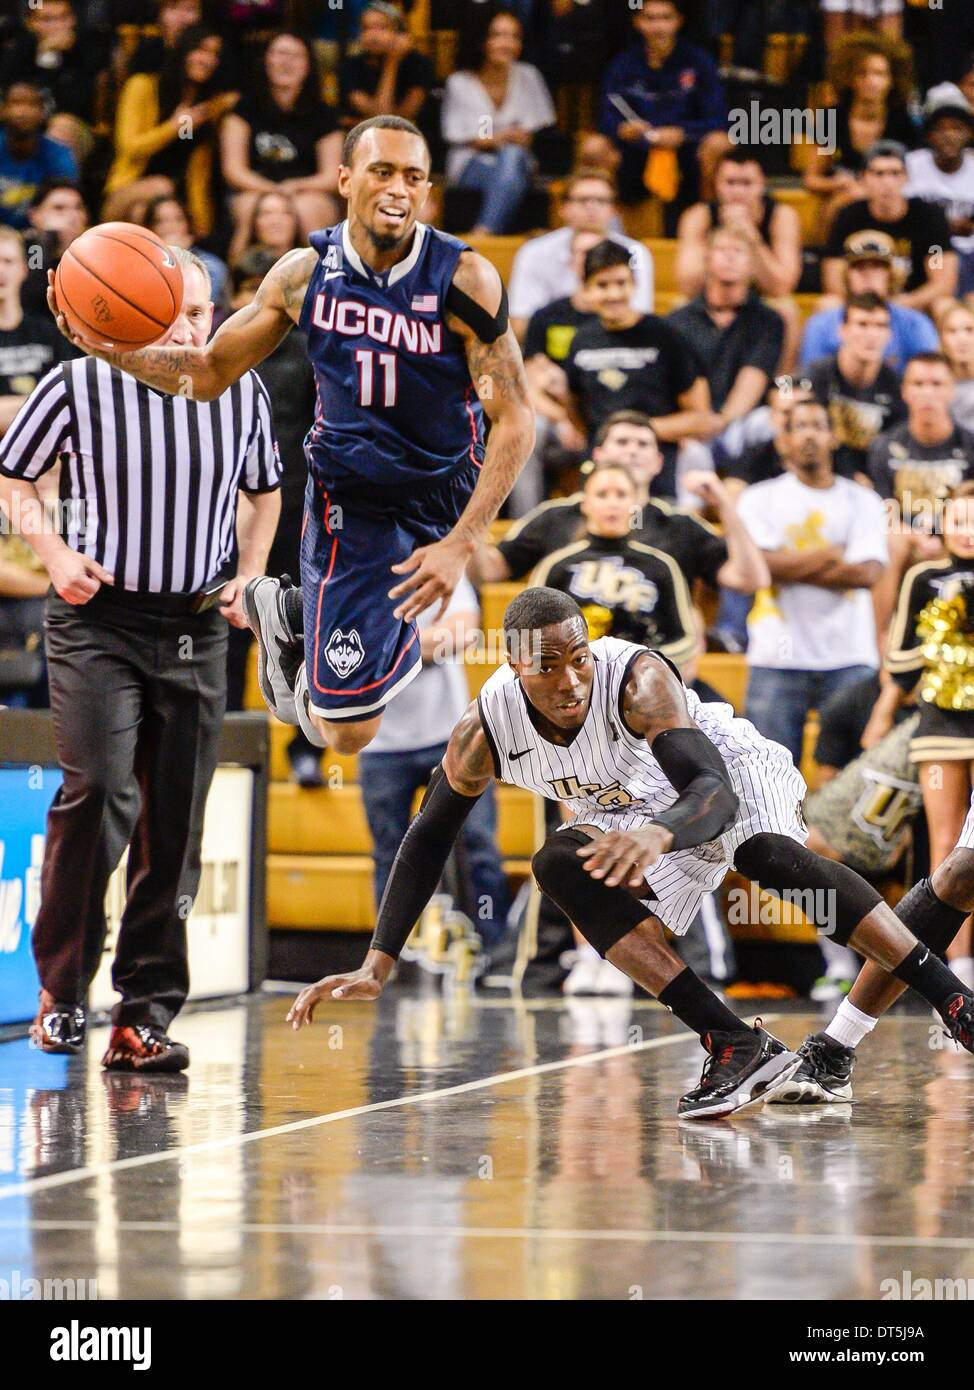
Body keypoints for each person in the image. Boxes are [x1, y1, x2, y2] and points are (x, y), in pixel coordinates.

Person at [285, 585, 974, 1119]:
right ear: (514, 665)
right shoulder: (482, 730)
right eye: (548, 667)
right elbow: (428, 835)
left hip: (717, 772)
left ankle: (953, 1003)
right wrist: (378, 961)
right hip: (627, 808)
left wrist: (662, 832)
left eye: (578, 658)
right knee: (558, 863)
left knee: (763, 853)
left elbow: (712, 793)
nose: (571, 681)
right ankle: (735, 1044)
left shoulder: (637, 681)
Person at [52, 115, 535, 758]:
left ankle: (297, 616)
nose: (398, 188)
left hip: (444, 481)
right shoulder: (303, 274)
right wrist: (108, 349)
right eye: (381, 171)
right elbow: (211, 372)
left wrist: (462, 545)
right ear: (343, 178)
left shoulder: (463, 278)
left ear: (426, 192)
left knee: (347, 726)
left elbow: (516, 418)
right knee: (346, 734)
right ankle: (295, 618)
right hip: (353, 495)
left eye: (413, 177)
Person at [0, 248, 282, 1070]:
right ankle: (61, 990)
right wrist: (51, 553)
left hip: (197, 625)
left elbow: (266, 489)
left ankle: (144, 1014)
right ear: (134, 313)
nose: (191, 328)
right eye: (175, 312)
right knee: (96, 789)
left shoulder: (244, 389)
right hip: (98, 618)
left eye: (201, 313)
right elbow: (14, 478)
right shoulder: (75, 383)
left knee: (176, 820)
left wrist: (253, 572)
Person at [358, 575, 510, 948]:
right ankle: (389, 956)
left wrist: (384, 648)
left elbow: (461, 633)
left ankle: (496, 950)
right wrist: (420, 645)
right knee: (389, 855)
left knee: (478, 843)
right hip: (379, 742)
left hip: (449, 736)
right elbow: (343, 647)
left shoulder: (439, 569)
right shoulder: (356, 576)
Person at [474, 410, 768, 602]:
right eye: (622, 441)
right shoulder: (556, 516)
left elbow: (750, 579)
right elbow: (488, 571)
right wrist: (472, 515)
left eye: (643, 444)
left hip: (653, 668)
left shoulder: (679, 525)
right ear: (599, 455)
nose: (631, 450)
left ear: (658, 463)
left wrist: (726, 507)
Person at [737, 397, 888, 766]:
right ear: (782, 441)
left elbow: (866, 573)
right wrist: (830, 555)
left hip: (850, 656)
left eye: (818, 426)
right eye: (798, 427)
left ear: (834, 437)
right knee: (768, 776)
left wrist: (786, 565)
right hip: (777, 655)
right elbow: (758, 569)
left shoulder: (864, 500)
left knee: (858, 773)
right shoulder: (758, 499)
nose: (808, 435)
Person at [561, 239, 712, 499]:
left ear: (634, 284)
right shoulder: (581, 341)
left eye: (621, 283)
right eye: (602, 285)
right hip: (600, 473)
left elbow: (701, 418)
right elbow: (574, 406)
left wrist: (636, 433)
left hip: (655, 471)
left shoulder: (665, 336)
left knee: (651, 533)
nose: (613, 294)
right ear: (586, 289)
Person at [589, 0, 728, 207]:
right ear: (637, 22)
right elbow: (605, 116)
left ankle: (708, 215)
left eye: (665, 18)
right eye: (650, 18)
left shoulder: (699, 61)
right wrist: (622, 128)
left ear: (678, 21)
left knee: (719, 142)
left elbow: (718, 118)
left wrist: (683, 132)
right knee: (594, 147)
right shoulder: (622, 64)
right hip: (637, 145)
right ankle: (608, 222)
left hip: (687, 146)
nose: (658, 26)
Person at [103, 23, 237, 235]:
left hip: (171, 208)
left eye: (215, 54)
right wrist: (176, 125)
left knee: (164, 214)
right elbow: (129, 147)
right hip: (124, 195)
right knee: (158, 191)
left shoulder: (206, 111)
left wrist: (202, 229)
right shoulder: (143, 86)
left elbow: (198, 183)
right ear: (183, 50)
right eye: (200, 50)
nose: (207, 60)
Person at [676, 147, 802, 371]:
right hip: (716, 296)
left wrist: (752, 237)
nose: (738, 192)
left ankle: (782, 388)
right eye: (731, 183)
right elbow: (687, 284)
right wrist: (721, 240)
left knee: (787, 311)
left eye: (746, 183)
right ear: (716, 185)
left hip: (760, 301)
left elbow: (782, 286)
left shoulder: (782, 216)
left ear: (762, 184)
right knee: (679, 307)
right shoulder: (698, 216)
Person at [220, 30, 341, 262]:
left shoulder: (324, 114)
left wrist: (295, 187)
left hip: (306, 189)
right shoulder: (243, 110)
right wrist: (272, 191)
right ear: (266, 61)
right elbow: (233, 170)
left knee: (305, 209)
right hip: (253, 187)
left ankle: (318, 286)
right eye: (280, 53)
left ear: (308, 66)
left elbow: (331, 176)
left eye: (296, 56)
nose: (287, 62)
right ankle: (237, 287)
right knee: (254, 209)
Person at [441, 6, 556, 235]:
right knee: (509, 161)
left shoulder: (528, 76)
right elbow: (470, 137)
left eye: (514, 37)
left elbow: (536, 128)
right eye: (498, 35)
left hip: (517, 161)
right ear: (483, 40)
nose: (507, 43)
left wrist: (504, 138)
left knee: (512, 157)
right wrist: (499, 138)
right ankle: (488, 232)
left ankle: (483, 232)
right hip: (472, 163)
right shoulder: (461, 82)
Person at [507, 167, 655, 342]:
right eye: (583, 200)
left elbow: (639, 320)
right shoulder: (534, 252)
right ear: (563, 208)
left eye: (601, 200)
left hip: (617, 347)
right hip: (550, 352)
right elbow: (520, 325)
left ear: (614, 209)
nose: (591, 207)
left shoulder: (635, 252)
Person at [668, 226, 785, 440]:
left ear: (752, 265)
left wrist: (723, 420)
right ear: (706, 260)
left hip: (743, 421)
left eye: (738, 251)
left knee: (768, 424)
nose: (730, 257)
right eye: (722, 250)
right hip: (694, 422)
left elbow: (755, 375)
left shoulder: (768, 320)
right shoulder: (678, 321)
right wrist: (700, 422)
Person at [823, 141, 957, 314]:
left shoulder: (929, 218)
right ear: (863, 178)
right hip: (859, 304)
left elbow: (942, 281)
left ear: (906, 177)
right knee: (828, 304)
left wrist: (909, 302)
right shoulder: (848, 217)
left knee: (944, 305)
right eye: (878, 173)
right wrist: (861, 305)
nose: (887, 182)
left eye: (895, 173)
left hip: (912, 303)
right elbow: (833, 278)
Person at [803, 31, 916, 229]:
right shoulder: (832, 119)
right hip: (845, 199)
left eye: (879, 74)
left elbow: (915, 178)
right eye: (862, 73)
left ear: (892, 79)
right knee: (844, 199)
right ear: (848, 78)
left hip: (892, 198)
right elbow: (811, 179)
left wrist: (872, 189)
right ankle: (830, 255)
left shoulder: (902, 122)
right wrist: (838, 184)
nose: (871, 81)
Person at [800, 230, 939, 374]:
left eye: (877, 267)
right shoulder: (822, 324)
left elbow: (930, 377)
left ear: (891, 275)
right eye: (859, 267)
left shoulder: (914, 323)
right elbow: (811, 378)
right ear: (846, 275)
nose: (868, 274)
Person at [805, 292, 905, 481]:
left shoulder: (897, 387)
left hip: (873, 483)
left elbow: (896, 450)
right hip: (821, 475)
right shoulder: (817, 375)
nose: (871, 334)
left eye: (880, 326)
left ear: (889, 335)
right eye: (862, 324)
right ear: (842, 331)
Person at [0, 226, 73, 438]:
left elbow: (70, 403)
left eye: (8, 261)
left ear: (24, 269)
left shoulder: (48, 333)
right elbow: (54, 407)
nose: (1, 270)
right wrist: (40, 404)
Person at [905, 83, 974, 298]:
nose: (948, 135)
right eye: (940, 128)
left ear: (968, 134)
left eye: (956, 128)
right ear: (928, 136)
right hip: (929, 250)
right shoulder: (911, 165)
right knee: (941, 258)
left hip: (970, 252)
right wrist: (946, 227)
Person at [338, 2, 434, 135]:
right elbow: (382, 117)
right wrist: (392, 64)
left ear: (400, 33)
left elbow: (396, 122)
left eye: (382, 28)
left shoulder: (419, 64)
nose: (373, 35)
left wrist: (392, 63)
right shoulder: (350, 66)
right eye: (366, 28)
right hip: (364, 141)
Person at [0, 80, 77, 230]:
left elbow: (66, 200)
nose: (23, 111)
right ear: (3, 110)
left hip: (38, 239)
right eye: (16, 103)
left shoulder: (59, 155)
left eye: (32, 105)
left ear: (43, 113)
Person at [143, 193, 229, 316]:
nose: (170, 227)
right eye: (160, 221)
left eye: (178, 219)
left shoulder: (212, 266)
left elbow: (195, 311)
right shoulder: (139, 263)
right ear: (149, 228)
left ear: (188, 225)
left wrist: (173, 256)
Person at [20, 177, 87, 319]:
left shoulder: (91, 256)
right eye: (59, 208)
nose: (71, 216)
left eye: (77, 208)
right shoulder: (33, 249)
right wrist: (47, 239)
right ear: (35, 216)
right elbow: (31, 293)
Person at [940, 299, 974, 431]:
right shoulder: (932, 383)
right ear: (941, 339)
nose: (961, 338)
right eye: (952, 331)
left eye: (969, 330)